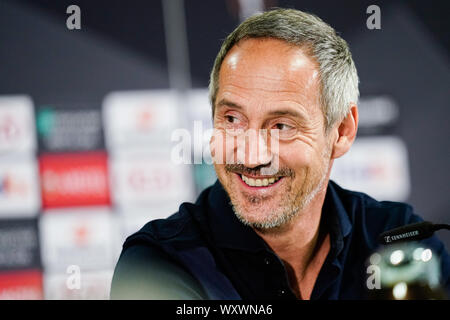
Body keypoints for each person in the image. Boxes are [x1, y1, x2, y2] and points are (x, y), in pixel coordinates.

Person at [110, 8, 449, 300]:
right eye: (232, 119)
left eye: (281, 126)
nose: (252, 156)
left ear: (342, 131)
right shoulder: (159, 263)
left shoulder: (397, 238)